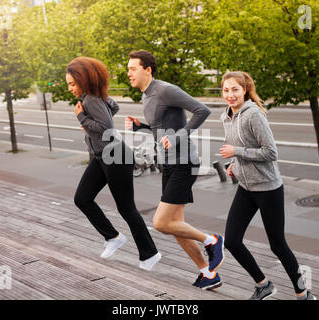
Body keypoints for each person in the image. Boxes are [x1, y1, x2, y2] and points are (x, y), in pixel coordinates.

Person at [125, 50, 224, 290]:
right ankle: (208, 274)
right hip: (168, 163)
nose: (128, 73)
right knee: (175, 224)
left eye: (133, 68)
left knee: (160, 223)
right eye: (127, 69)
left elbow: (202, 110)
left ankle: (212, 240)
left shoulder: (165, 89)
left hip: (183, 162)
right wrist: (141, 127)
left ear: (147, 69)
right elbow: (162, 131)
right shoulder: (146, 96)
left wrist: (180, 136)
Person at [219, 71, 316, 300]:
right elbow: (240, 148)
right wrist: (234, 163)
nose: (230, 95)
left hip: (268, 189)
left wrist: (237, 152)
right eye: (226, 90)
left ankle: (303, 293)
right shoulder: (226, 117)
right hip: (245, 188)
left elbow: (271, 152)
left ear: (244, 90)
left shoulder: (254, 115)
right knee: (232, 240)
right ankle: (263, 284)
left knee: (278, 245)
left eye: (235, 89)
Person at [66, 56, 161, 271]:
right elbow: (113, 107)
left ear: (83, 80)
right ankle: (113, 237)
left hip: (115, 156)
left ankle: (150, 254)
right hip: (102, 157)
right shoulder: (95, 97)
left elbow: (107, 126)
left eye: (72, 83)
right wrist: (90, 124)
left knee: (126, 208)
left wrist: (82, 118)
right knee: (82, 198)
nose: (70, 88)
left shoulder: (89, 100)